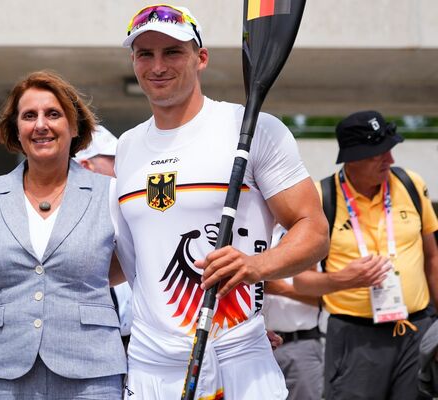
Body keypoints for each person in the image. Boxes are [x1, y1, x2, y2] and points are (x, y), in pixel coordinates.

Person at [113, 5, 329, 399]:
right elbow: (130, 260)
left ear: (201, 58)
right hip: (150, 369)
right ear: (134, 61)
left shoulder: (253, 128)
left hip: (237, 361)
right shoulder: (126, 147)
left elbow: (313, 229)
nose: (157, 65)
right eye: (145, 53)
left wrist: (255, 266)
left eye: (173, 52)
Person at [0, 71, 127, 399]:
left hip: (91, 371)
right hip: (4, 370)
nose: (41, 124)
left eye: (53, 114)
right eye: (29, 116)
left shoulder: (108, 192)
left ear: (75, 126)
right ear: (16, 129)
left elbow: (133, 267)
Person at [293, 110, 438, 400]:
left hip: (416, 328)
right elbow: (301, 282)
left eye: (390, 150)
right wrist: (342, 280)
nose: (390, 160)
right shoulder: (322, 199)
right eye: (379, 154)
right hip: (355, 338)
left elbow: (432, 258)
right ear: (353, 157)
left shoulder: (410, 184)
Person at [73, 125, 134, 347]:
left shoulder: (127, 211)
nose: (123, 167)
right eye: (114, 160)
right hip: (92, 347)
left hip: (135, 346)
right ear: (86, 166)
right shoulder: (68, 225)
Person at [263, 226, 324, 400]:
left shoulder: (310, 234)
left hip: (299, 346)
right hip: (256, 345)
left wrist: (282, 290)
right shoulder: (255, 228)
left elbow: (331, 299)